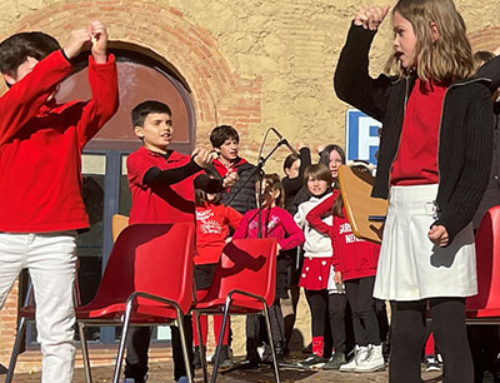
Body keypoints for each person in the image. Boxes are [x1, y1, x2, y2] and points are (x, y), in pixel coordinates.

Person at [334, 1, 494, 382]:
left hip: (444, 214)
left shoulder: (470, 94)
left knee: (450, 329)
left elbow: (476, 168)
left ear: (433, 32)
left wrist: (453, 219)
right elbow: (348, 85)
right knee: (405, 329)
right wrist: (361, 32)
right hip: (400, 213)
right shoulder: (398, 93)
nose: (395, 42)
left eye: (401, 32)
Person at [0, 22, 118, 383]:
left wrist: (99, 58)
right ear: (8, 75)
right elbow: (24, 96)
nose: (49, 78)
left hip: (56, 237)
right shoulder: (5, 113)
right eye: (38, 68)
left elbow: (106, 105)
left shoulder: (69, 118)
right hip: (3, 234)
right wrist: (66, 53)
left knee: (58, 330)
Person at [124, 100, 237, 383]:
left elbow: (203, 183)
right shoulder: (138, 159)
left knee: (182, 311)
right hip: (148, 248)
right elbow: (161, 179)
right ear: (140, 131)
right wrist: (193, 166)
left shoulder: (179, 159)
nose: (166, 128)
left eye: (169, 122)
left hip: (182, 248)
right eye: (157, 123)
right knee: (143, 310)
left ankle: (183, 373)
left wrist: (222, 183)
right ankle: (134, 373)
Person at [307, 163, 384, 373]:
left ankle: (376, 350)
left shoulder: (370, 198)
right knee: (355, 311)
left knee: (367, 308)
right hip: (348, 265)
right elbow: (312, 216)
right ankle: (361, 351)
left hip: (369, 264)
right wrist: (331, 232)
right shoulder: (338, 199)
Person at [232, 173, 305, 365]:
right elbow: (238, 239)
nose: (260, 196)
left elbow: (298, 237)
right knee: (251, 305)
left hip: (275, 264)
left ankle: (276, 348)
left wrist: (280, 245)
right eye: (257, 192)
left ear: (275, 193)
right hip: (253, 266)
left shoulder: (281, 215)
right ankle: (251, 349)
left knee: (272, 305)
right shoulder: (249, 216)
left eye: (265, 191)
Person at [294, 164, 347, 370]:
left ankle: (337, 351)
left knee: (335, 310)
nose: (316, 184)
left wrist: (328, 230)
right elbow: (293, 229)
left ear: (329, 181)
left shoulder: (336, 201)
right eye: (311, 180)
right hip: (312, 259)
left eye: (320, 179)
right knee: (317, 309)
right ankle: (318, 351)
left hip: (333, 259)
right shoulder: (303, 207)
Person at [192, 169, 242, 369]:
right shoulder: (192, 210)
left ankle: (222, 349)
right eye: (207, 187)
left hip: (220, 263)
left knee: (221, 308)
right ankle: (199, 350)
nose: (211, 191)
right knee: (200, 309)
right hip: (198, 263)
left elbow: (246, 225)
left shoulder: (223, 209)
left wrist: (232, 241)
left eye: (215, 186)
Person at [280, 144, 312, 354]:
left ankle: (285, 341)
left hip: (305, 244)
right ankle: (279, 341)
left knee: (299, 293)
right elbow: (303, 178)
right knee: (286, 294)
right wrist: (306, 152)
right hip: (288, 245)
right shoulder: (287, 184)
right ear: (287, 171)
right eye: (296, 168)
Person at [209, 124, 257, 214]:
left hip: (244, 222)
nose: (234, 147)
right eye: (228, 144)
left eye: (235, 143)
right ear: (217, 148)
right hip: (217, 223)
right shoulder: (208, 171)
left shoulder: (251, 171)